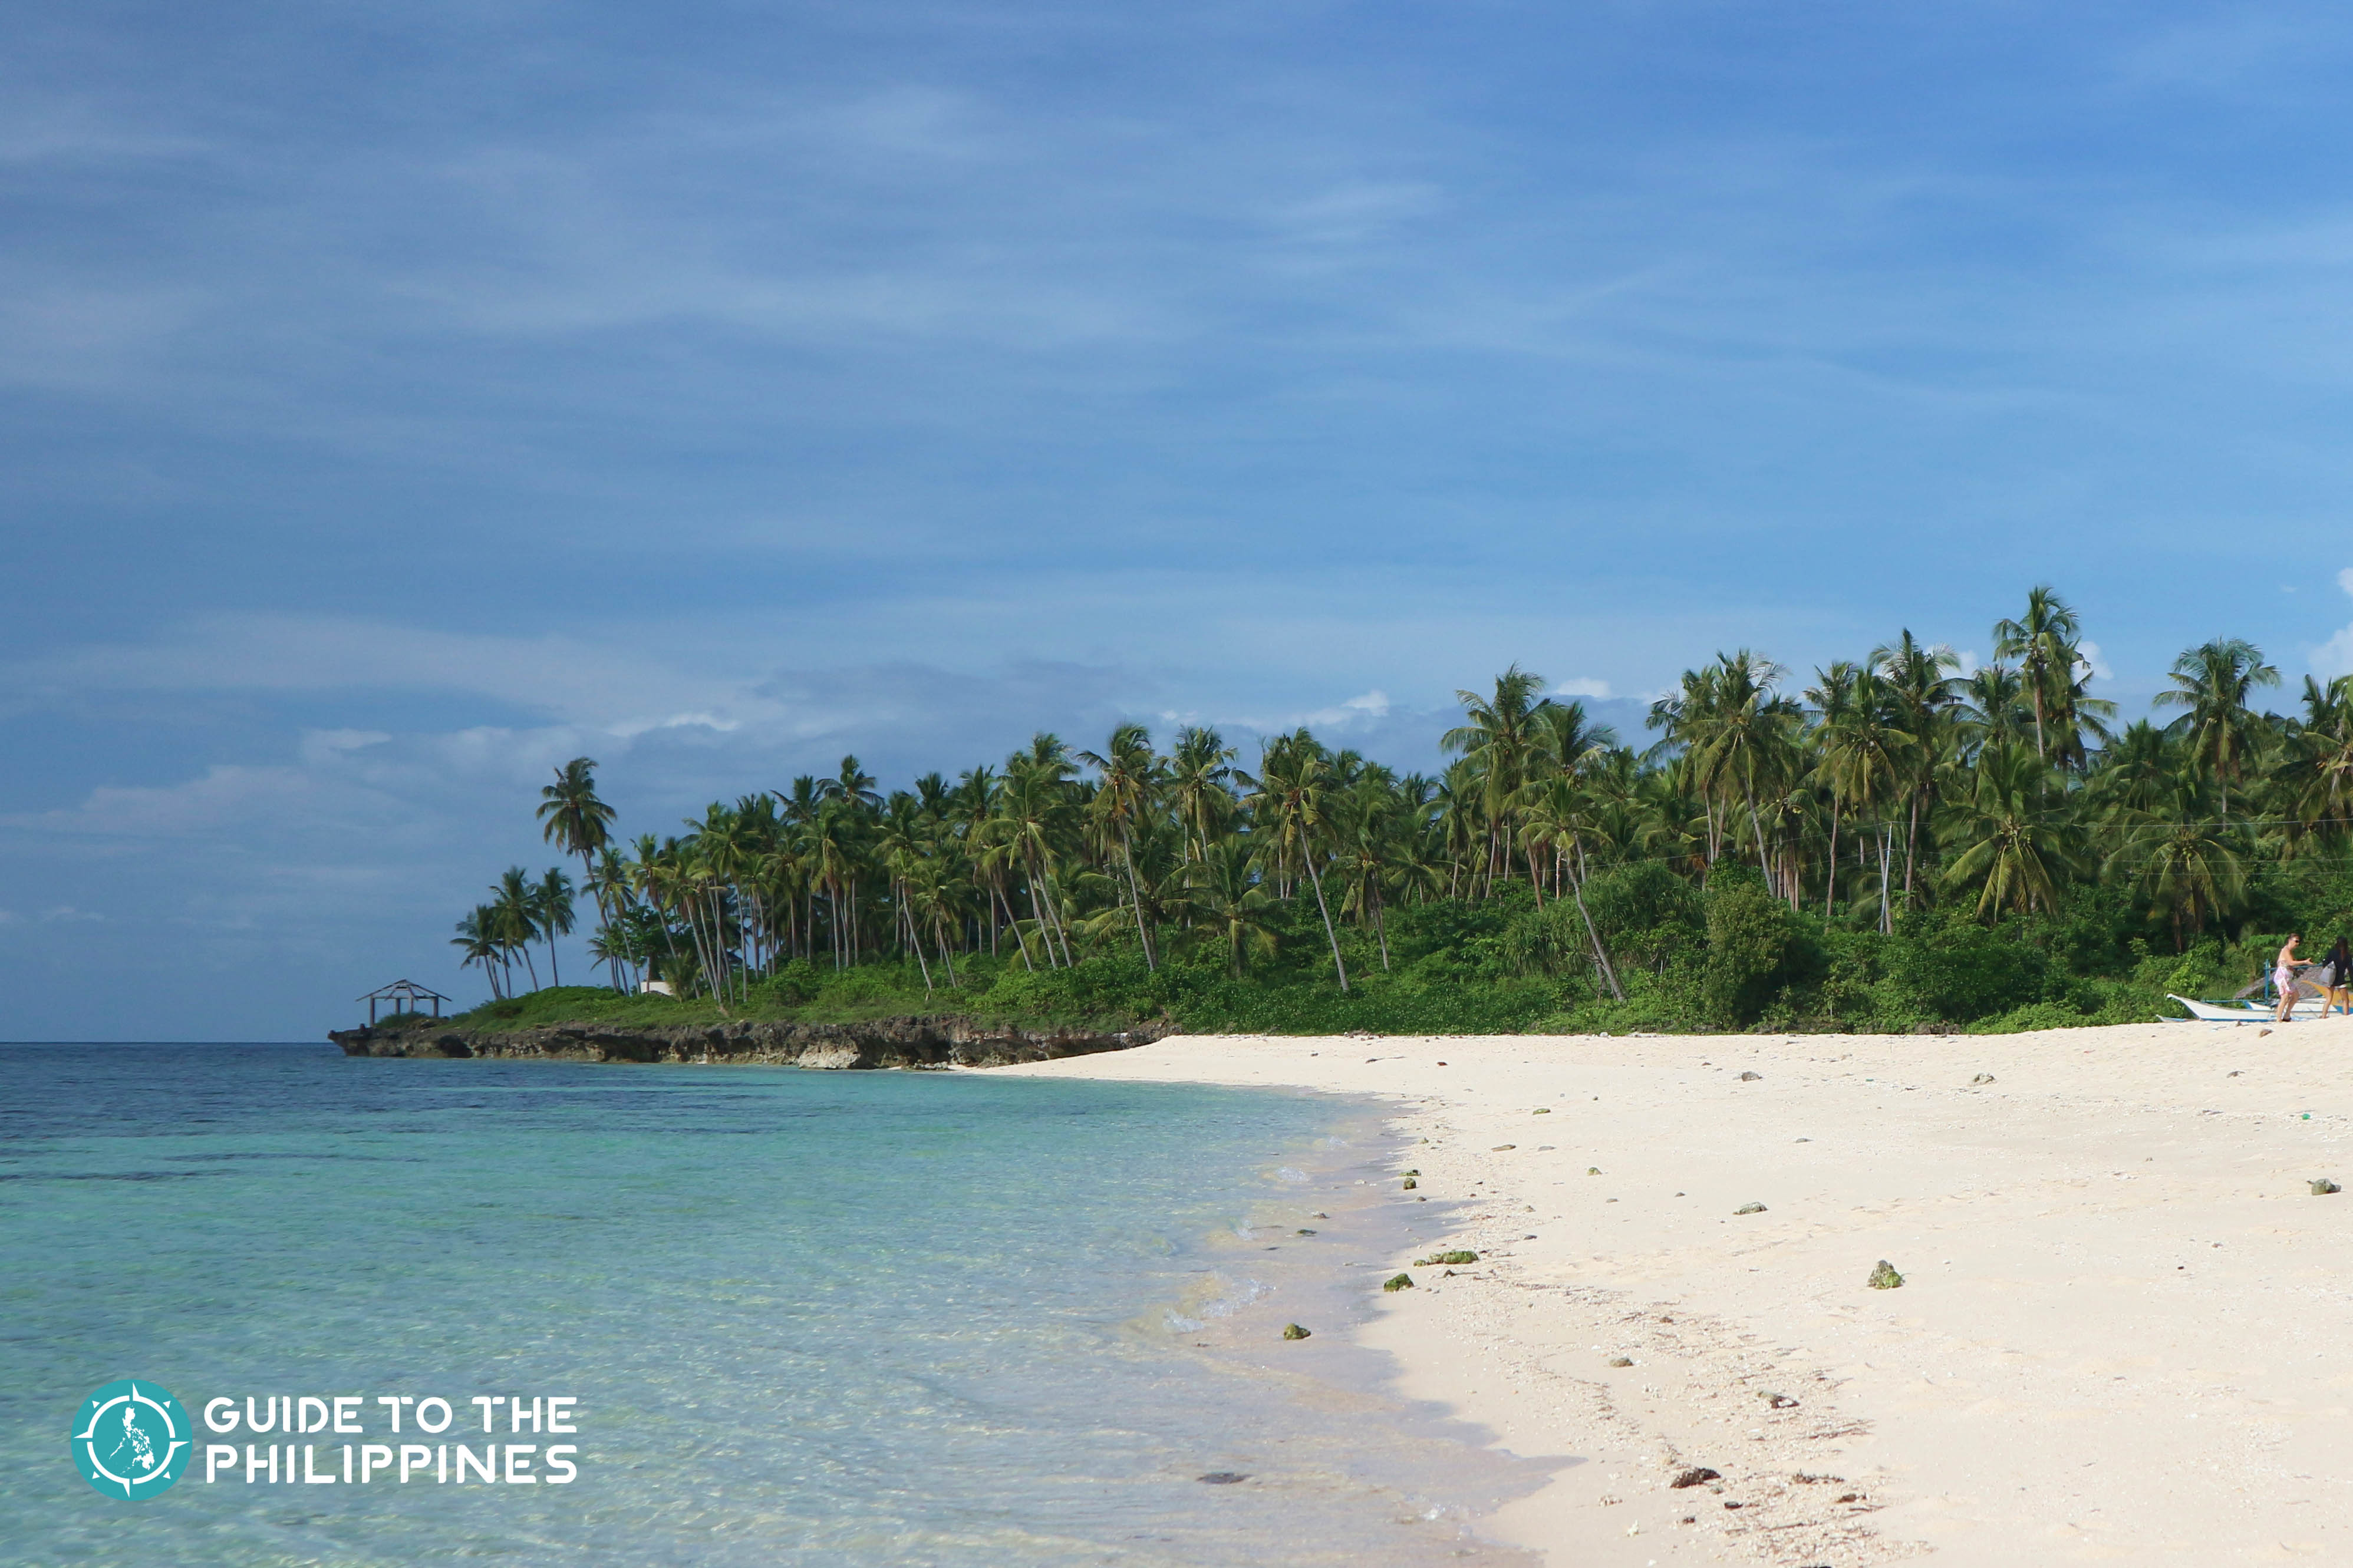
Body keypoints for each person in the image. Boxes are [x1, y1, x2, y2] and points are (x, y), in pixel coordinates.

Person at [2275, 933, 2303, 1023]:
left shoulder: (2290, 952)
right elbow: (2291, 963)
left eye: (2298, 942)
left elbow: (2290, 964)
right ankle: (2278, 1019)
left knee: (2296, 996)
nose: (2297, 944)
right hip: (2282, 977)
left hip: (2288, 977)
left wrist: (2295, 971)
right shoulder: (2286, 950)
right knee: (2285, 997)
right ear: (2290, 940)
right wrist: (2305, 962)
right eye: (2296, 941)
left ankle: (2287, 1016)